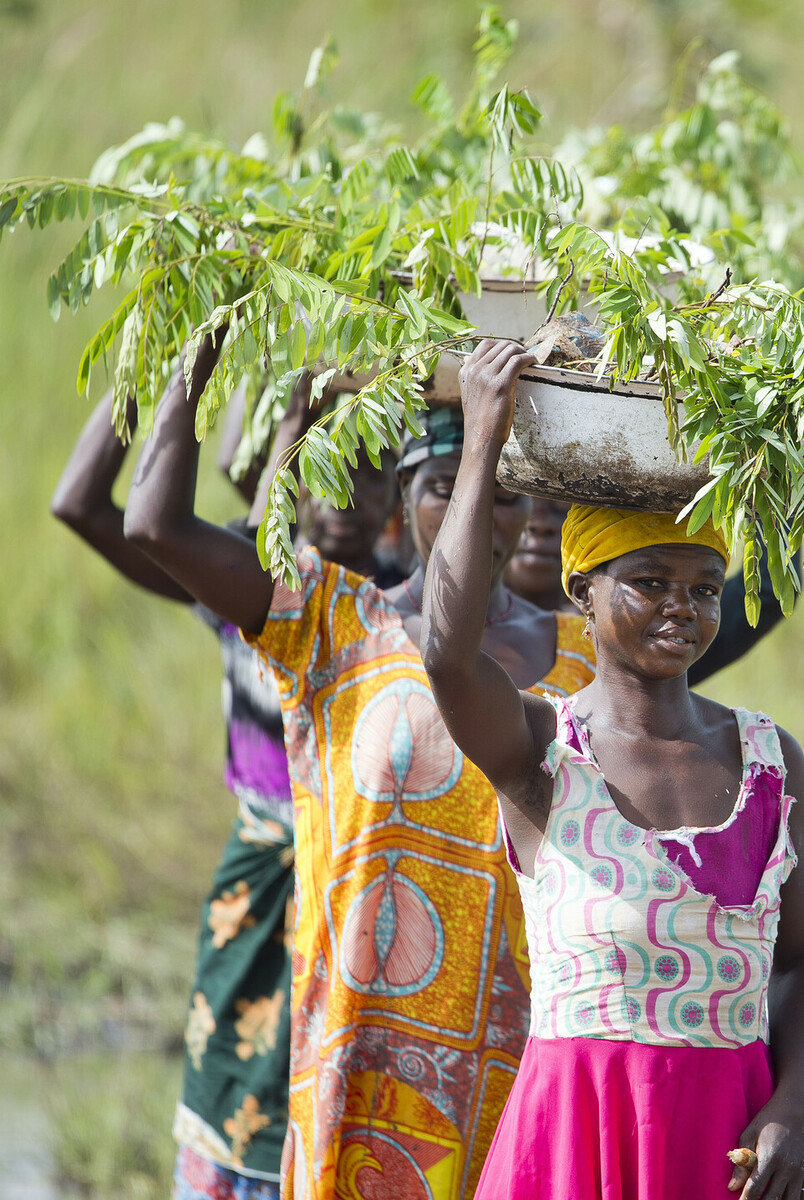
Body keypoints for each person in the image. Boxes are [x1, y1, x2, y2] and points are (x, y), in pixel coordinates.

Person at [123, 342, 595, 1200]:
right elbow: (154, 525)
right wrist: (201, 343)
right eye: (447, 485)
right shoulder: (334, 619)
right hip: (360, 1045)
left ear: (533, 514)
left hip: (522, 1048)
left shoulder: (583, 658)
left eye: (504, 491)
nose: (475, 507)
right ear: (403, 505)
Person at [419, 338, 804, 1199]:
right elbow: (449, 658)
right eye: (649, 582)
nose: (681, 608)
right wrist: (484, 436)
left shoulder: (765, 760)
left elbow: (798, 960)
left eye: (704, 587)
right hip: (576, 1137)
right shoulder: (541, 752)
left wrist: (795, 1106)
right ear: (583, 592)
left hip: (725, 1141)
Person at [51, 384, 398, 1200]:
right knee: (237, 1099)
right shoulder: (250, 575)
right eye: (322, 469)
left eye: (369, 471)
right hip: (266, 878)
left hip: (360, 885)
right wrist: (177, 347)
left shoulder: (406, 602)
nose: (343, 496)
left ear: (397, 491)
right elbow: (85, 505)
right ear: (289, 477)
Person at [506, 495, 795, 686]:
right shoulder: (474, 642)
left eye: (560, 507)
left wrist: (770, 485)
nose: (538, 523)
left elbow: (768, 590)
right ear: (583, 591)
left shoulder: (649, 637)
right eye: (651, 583)